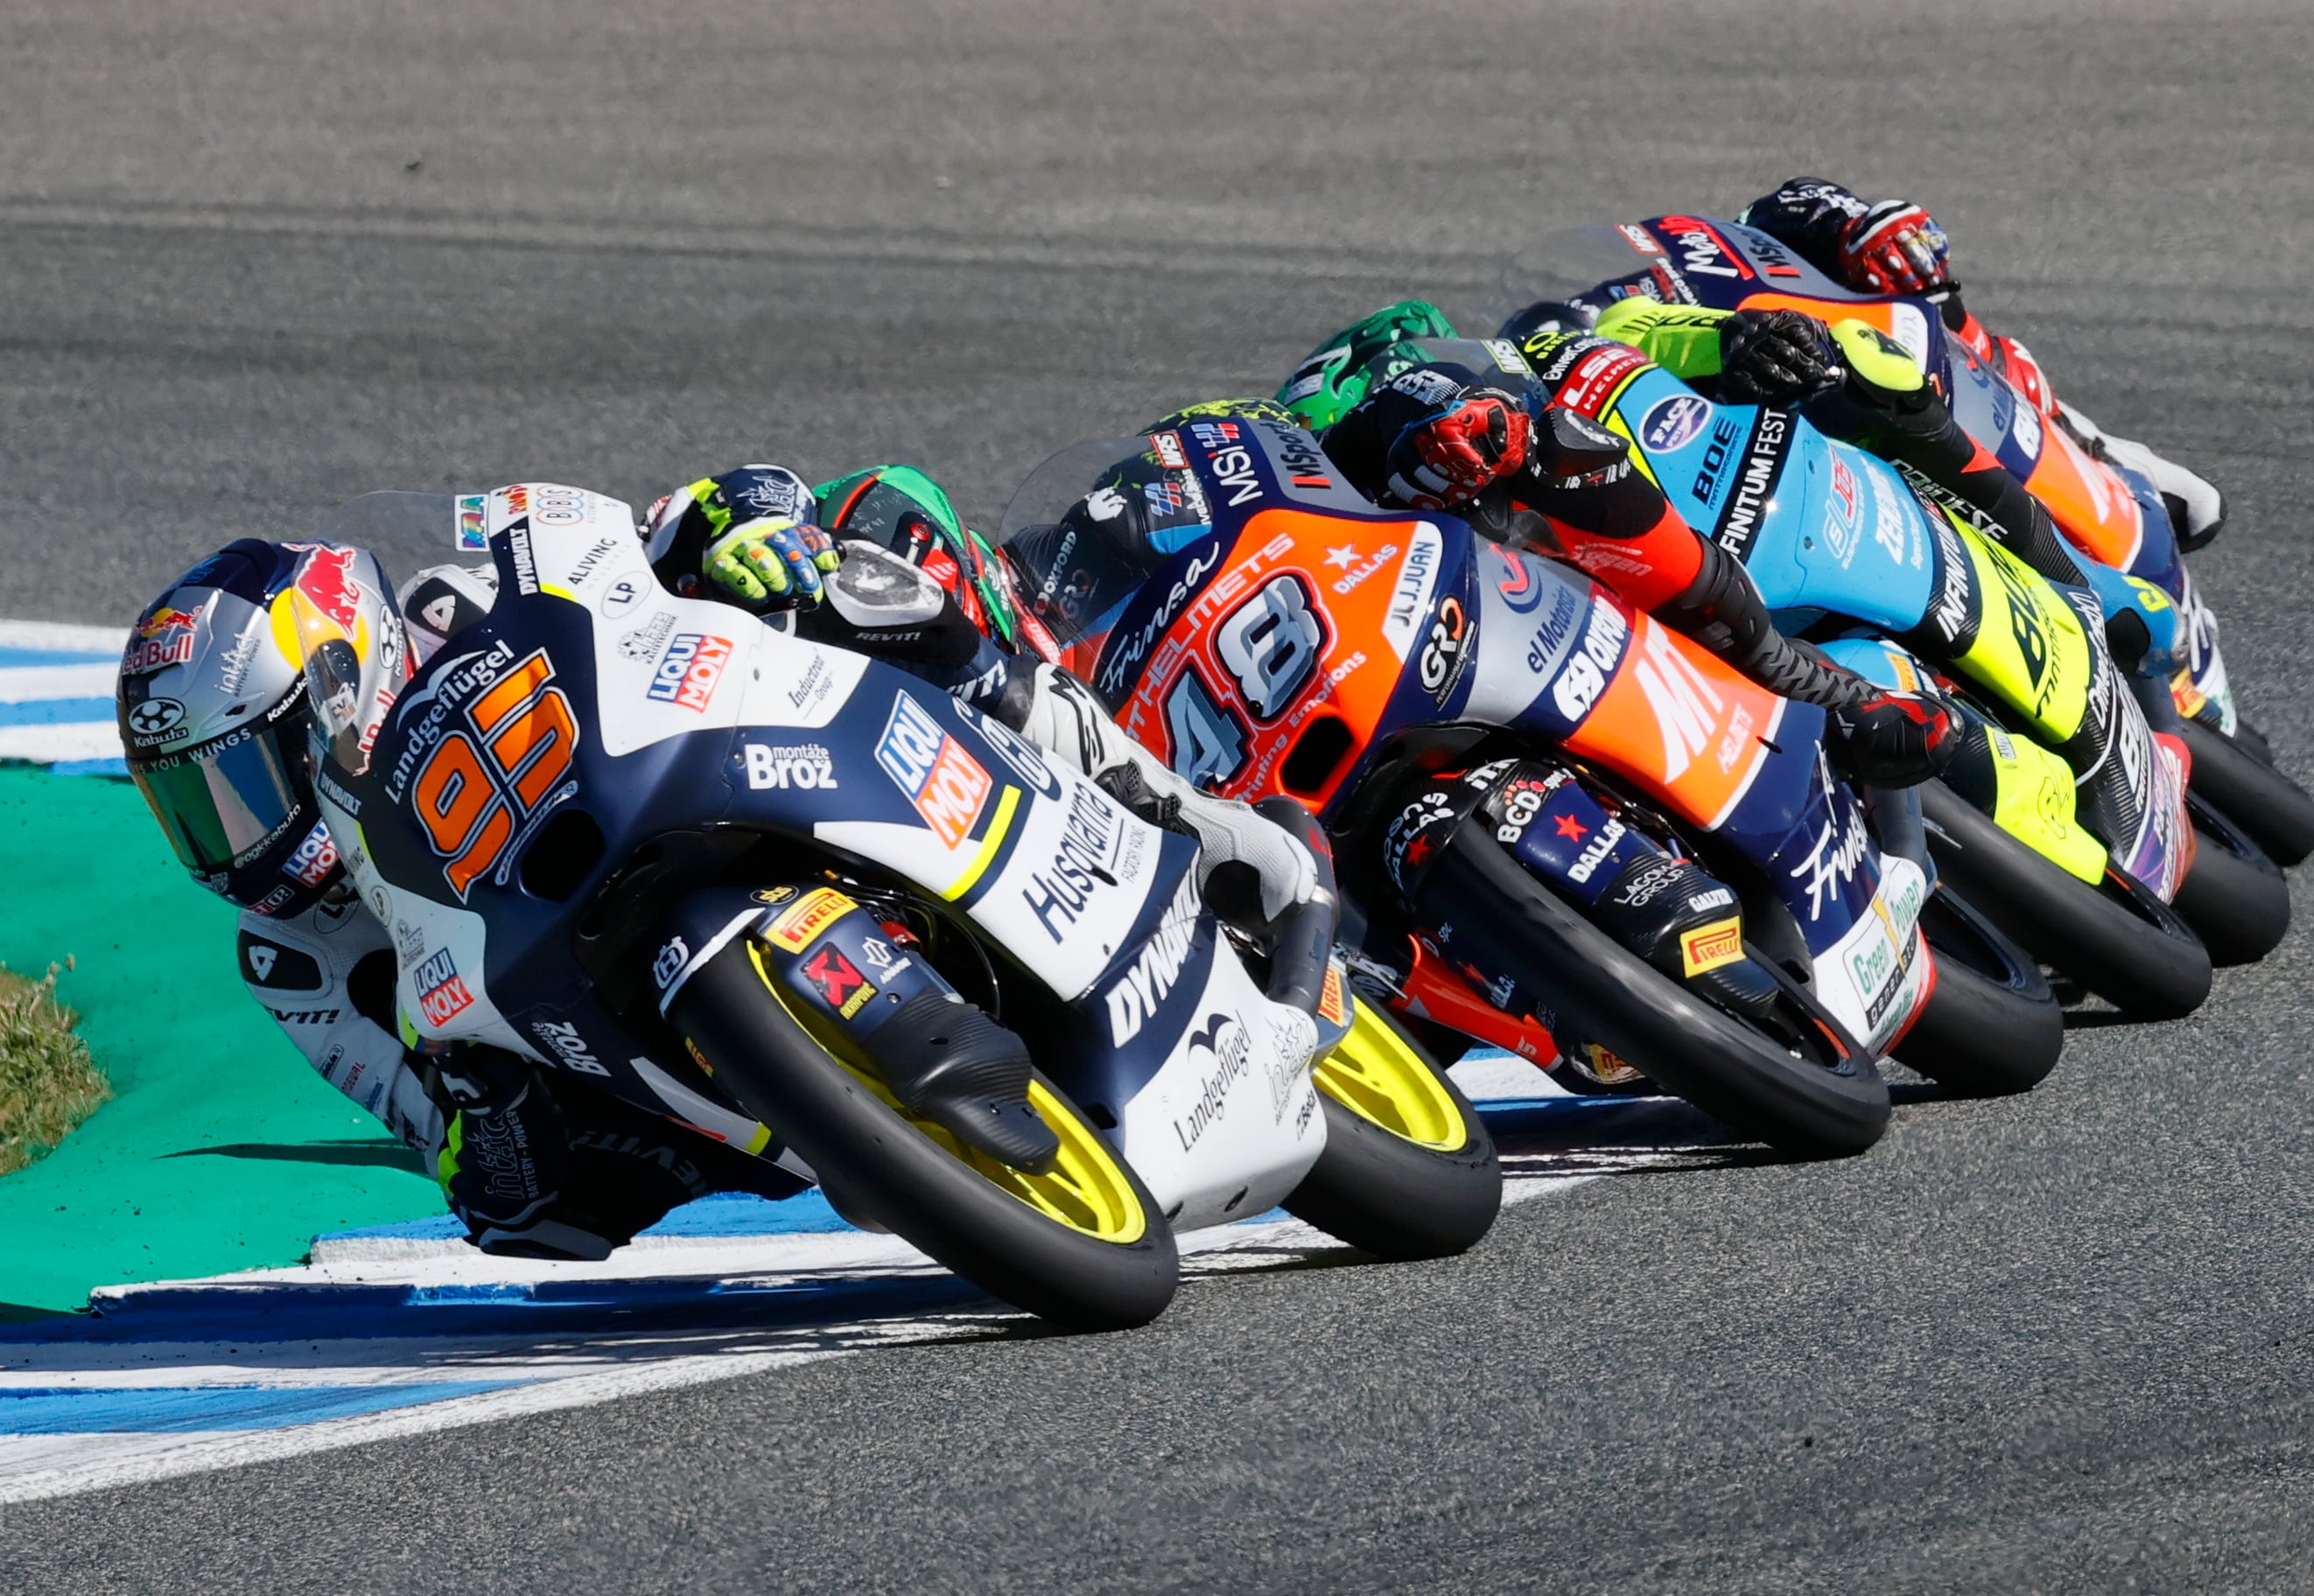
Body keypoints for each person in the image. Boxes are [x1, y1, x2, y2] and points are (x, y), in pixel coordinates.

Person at [119, 465, 1320, 1261]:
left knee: (880, 540)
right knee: (528, 1211)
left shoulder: (447, 606)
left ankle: (1144, 794)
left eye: (241, 783)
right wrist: (471, 1118)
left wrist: (733, 520)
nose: (233, 835)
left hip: (698, 765)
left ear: (337, 679)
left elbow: (644, 543)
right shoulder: (297, 956)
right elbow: (418, 1126)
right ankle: (855, 1103)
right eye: (194, 808)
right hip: (601, 1057)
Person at [1273, 304, 1957, 790]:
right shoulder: (1376, 554)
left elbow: (1646, 328)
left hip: (1767, 526)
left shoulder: (1540, 354)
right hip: (1568, 648)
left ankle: (1848, 697)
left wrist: (1741, 337)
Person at [1736, 178, 2225, 551]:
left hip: (1910, 407)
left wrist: (1858, 235)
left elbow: (1786, 206)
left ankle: (2083, 451)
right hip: (1779, 489)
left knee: (2185, 509)